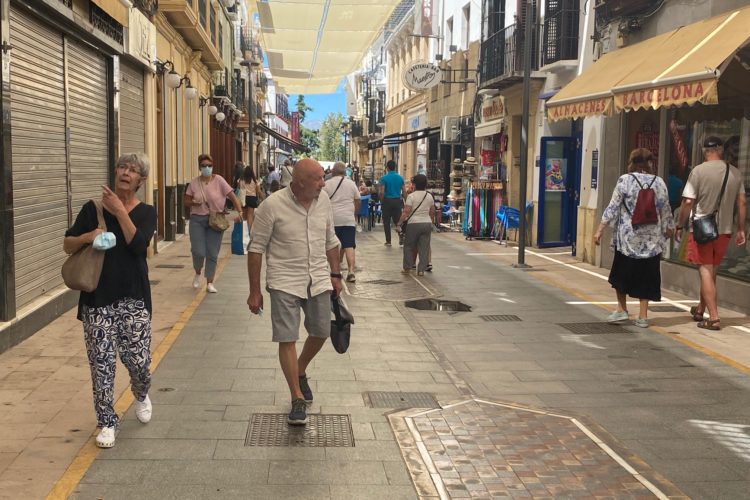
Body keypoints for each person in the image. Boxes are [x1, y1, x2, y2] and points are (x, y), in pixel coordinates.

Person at [63, 153, 157, 449]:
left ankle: (141, 394)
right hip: (97, 299)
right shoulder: (92, 208)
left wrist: (120, 212)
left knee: (138, 361)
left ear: (141, 180)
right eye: (122, 167)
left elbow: (139, 247)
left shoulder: (147, 212)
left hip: (134, 298)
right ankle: (106, 422)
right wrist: (88, 236)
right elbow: (67, 244)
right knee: (101, 364)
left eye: (133, 170)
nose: (125, 173)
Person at [247, 158, 343, 426]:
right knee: (287, 336)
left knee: (321, 331)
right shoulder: (272, 206)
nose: (323, 183)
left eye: (323, 178)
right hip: (284, 280)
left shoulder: (323, 201)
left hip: (318, 277)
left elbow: (331, 240)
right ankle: (297, 397)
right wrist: (255, 291)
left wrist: (336, 274)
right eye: (318, 179)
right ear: (299, 182)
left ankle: (300, 369)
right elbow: (256, 249)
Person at [594, 148, 674, 328]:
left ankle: (622, 309)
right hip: (651, 241)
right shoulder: (659, 183)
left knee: (621, 274)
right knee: (647, 276)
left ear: (632, 162)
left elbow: (612, 208)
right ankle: (643, 316)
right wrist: (669, 228)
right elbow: (666, 209)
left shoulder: (625, 180)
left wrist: (600, 230)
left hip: (627, 238)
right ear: (650, 163)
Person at [676, 136, 746, 330]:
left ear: (703, 151)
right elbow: (742, 202)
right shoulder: (735, 173)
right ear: (721, 150)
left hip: (702, 229)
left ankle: (714, 317)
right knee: (711, 270)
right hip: (724, 231)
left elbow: (688, 202)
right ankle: (700, 309)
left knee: (705, 271)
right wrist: (741, 228)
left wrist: (680, 225)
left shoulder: (697, 171)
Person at [184, 153, 243, 294]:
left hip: (216, 220)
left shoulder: (219, 180)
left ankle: (209, 282)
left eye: (209, 166)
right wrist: (193, 202)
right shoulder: (194, 183)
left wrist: (240, 211)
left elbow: (232, 195)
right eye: (204, 166)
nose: (207, 168)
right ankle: (198, 271)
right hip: (197, 219)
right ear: (199, 167)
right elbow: (186, 201)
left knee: (212, 252)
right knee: (198, 251)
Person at [324, 161, 361, 283]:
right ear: (345, 172)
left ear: (333, 172)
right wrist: (353, 213)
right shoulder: (351, 184)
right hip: (348, 219)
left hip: (332, 219)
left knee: (332, 245)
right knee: (349, 245)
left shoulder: (327, 184)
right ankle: (351, 272)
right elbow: (357, 200)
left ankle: (335, 270)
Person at [397, 174, 436, 276]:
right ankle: (421, 270)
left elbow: (406, 212)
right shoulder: (429, 196)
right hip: (426, 223)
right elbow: (432, 211)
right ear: (425, 184)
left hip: (413, 224)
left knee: (409, 246)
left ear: (414, 184)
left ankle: (407, 268)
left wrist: (399, 223)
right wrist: (430, 221)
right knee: (424, 246)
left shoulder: (411, 196)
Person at [379, 160, 405, 246]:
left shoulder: (383, 178)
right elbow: (404, 191)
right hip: (397, 201)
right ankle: (400, 235)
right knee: (398, 220)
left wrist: (382, 200)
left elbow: (382, 192)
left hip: (387, 201)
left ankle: (388, 241)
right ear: (395, 167)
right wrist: (405, 200)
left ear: (387, 168)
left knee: (386, 221)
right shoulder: (400, 178)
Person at [241, 166, 263, 236]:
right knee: (250, 216)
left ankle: (244, 232)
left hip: (243, 198)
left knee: (244, 216)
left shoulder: (241, 180)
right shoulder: (255, 180)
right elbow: (258, 191)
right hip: (252, 198)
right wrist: (262, 198)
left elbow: (240, 189)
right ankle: (249, 232)